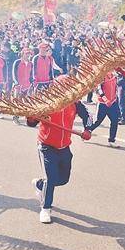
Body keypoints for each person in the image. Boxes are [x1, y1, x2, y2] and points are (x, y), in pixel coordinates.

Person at [26, 96, 93, 224]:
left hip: (64, 147)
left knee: (63, 179)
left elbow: (88, 115)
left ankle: (40, 184)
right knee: (51, 179)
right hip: (46, 146)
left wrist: (88, 130)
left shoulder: (75, 102)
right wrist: (31, 117)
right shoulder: (46, 102)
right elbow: (31, 123)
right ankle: (45, 208)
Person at [88, 72, 121, 146]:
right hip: (103, 104)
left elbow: (115, 88)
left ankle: (112, 140)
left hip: (112, 103)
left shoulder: (115, 76)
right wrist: (105, 100)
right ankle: (87, 131)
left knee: (115, 121)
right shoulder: (102, 76)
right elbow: (98, 89)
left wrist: (115, 99)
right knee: (98, 121)